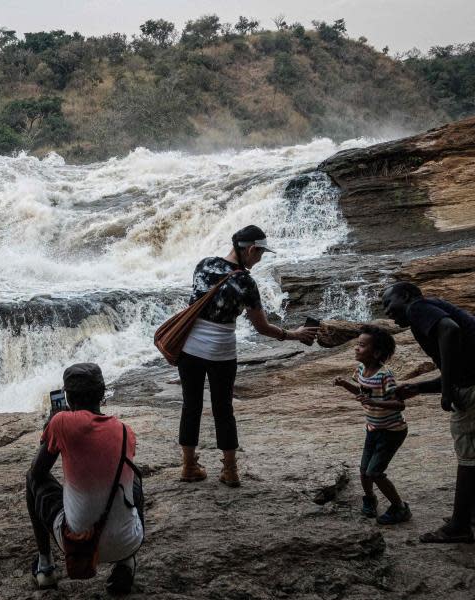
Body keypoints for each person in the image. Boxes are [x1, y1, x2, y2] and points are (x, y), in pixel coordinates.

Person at [382, 282, 475, 544]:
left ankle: (459, 527)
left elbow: (449, 332)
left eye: (389, 303)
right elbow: (463, 367)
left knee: (472, 456)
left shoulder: (419, 307)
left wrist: (447, 392)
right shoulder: (438, 307)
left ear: (406, 296)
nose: (387, 312)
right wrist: (419, 387)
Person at [177, 225, 318, 486]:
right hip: (221, 352)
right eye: (260, 254)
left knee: (190, 405)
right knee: (223, 409)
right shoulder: (245, 281)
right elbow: (262, 328)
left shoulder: (204, 265)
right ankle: (230, 471)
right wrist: (294, 335)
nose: (260, 259)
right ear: (251, 249)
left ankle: (188, 466)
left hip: (190, 349)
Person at [26, 363, 144, 595]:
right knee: (134, 481)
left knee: (31, 480)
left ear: (67, 397)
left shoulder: (61, 423)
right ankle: (126, 563)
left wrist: (51, 425)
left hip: (77, 541)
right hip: (127, 541)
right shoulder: (125, 431)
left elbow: (37, 472)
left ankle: (46, 567)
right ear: (102, 393)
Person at [333, 325, 412, 525]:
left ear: (376, 353)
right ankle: (369, 499)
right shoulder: (361, 369)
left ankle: (400, 508)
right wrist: (345, 385)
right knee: (364, 469)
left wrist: (377, 402)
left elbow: (399, 404)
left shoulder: (385, 375)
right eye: (357, 344)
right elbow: (363, 393)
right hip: (373, 428)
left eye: (361, 345)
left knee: (374, 472)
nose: (356, 349)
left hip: (392, 431)